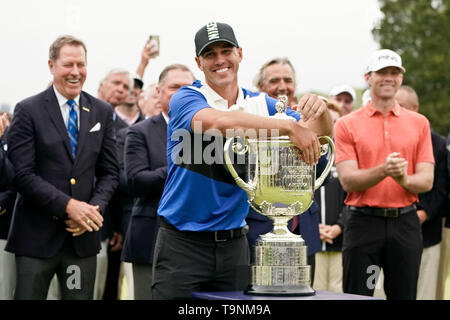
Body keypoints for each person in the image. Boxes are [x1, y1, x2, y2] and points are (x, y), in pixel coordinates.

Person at [152, 22, 332, 299]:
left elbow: (314, 139)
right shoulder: (187, 97)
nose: (220, 59)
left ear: (240, 53)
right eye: (210, 54)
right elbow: (217, 122)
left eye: (226, 51)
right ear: (198, 62)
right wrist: (287, 127)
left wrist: (322, 113)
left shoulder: (261, 104)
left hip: (234, 243)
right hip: (182, 242)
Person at [6, 35, 119, 300]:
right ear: (51, 66)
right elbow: (22, 175)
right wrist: (70, 207)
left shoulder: (101, 111)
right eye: (68, 64)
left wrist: (92, 211)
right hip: (36, 240)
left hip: (81, 242)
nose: (76, 72)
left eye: (81, 64)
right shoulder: (28, 110)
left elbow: (110, 172)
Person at [334, 49, 435, 300]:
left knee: (404, 295)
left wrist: (403, 179)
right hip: (364, 224)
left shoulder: (419, 122)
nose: (389, 78)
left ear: (401, 78)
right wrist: (384, 171)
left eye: (394, 73)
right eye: (382, 73)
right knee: (360, 295)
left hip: (405, 224)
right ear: (368, 78)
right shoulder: (347, 124)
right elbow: (348, 179)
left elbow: (426, 180)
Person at [249, 56, 329, 280]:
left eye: (288, 79)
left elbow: (322, 169)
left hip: (304, 232)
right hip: (259, 231)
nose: (282, 86)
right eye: (274, 80)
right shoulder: (250, 120)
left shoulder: (309, 120)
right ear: (261, 87)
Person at [121, 64, 195, 300]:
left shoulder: (209, 132)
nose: (182, 93)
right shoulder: (140, 132)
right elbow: (135, 181)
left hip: (197, 242)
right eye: (175, 87)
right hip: (151, 239)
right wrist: (180, 166)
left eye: (188, 87)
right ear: (159, 92)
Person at [395, 85, 449, 300]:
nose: (397, 111)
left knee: (425, 291)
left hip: (427, 231)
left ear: (416, 108)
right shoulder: (387, 137)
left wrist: (424, 213)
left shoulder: (438, 143)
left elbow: (441, 186)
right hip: (391, 229)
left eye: (403, 107)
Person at [313, 100, 346, 293]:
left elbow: (353, 198)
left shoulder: (347, 158)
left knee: (337, 290)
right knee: (315, 290)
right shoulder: (306, 154)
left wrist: (339, 227)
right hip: (313, 239)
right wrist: (313, 227)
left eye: (335, 122)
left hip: (339, 240)